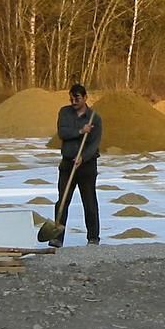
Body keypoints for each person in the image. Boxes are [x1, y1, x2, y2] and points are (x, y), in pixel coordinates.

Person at [51, 83, 102, 248]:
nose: (73, 101)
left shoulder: (95, 118)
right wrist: (80, 131)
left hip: (86, 165)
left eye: (77, 98)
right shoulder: (64, 113)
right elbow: (63, 132)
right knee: (62, 201)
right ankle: (57, 237)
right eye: (71, 98)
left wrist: (83, 157)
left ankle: (93, 237)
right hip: (67, 163)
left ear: (85, 98)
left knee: (89, 202)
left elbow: (94, 143)